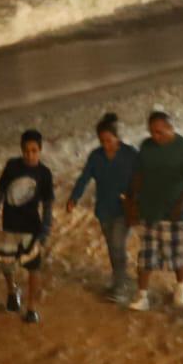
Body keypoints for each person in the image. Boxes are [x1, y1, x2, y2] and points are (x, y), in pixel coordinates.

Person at [126, 108, 183, 312]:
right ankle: (142, 295)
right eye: (152, 132)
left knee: (177, 252)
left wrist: (181, 204)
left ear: (170, 128)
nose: (155, 136)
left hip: (175, 210)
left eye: (159, 132)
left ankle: (180, 286)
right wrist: (132, 202)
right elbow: (139, 175)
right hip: (150, 208)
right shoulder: (146, 147)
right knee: (146, 254)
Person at [66, 111, 139, 301]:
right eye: (102, 141)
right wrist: (74, 198)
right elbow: (84, 178)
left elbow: (144, 177)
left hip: (124, 209)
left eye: (109, 140)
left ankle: (121, 286)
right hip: (104, 210)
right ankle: (120, 280)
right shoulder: (95, 157)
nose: (106, 145)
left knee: (117, 245)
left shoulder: (131, 155)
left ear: (117, 137)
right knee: (112, 247)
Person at [0, 129, 54, 324]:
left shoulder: (44, 174)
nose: (30, 155)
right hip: (10, 226)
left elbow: (48, 205)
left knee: (33, 268)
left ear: (40, 150)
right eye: (26, 150)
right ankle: (11, 292)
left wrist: (45, 232)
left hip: (32, 227)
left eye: (34, 150)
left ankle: (31, 307)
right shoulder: (11, 167)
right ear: (21, 150)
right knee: (6, 265)